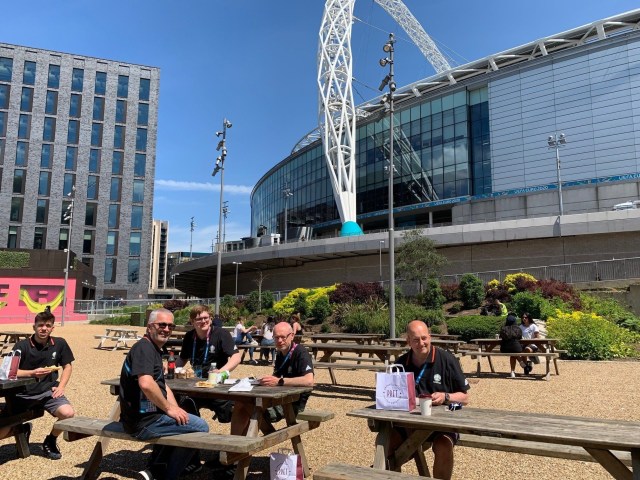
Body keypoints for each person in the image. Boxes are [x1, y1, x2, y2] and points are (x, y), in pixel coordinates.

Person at [119, 308, 209, 480]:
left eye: (170, 326)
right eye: (162, 324)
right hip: (142, 422)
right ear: (149, 327)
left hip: (144, 417)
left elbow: (162, 385)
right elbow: (146, 383)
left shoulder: (152, 349)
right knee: (200, 427)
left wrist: (175, 409)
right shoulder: (144, 348)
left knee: (183, 419)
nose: (166, 329)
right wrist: (169, 409)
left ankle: (156, 469)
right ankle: (167, 475)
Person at [394, 320, 470, 480]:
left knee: (443, 446)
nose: (421, 343)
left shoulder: (447, 359)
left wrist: (446, 396)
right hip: (408, 423)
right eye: (415, 340)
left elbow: (465, 398)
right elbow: (391, 396)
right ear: (408, 341)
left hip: (443, 424)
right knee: (386, 443)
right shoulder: (400, 363)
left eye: (424, 338)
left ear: (430, 337)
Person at [0, 310, 75, 459]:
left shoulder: (60, 343)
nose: (44, 329)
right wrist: (32, 373)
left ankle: (50, 440)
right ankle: (23, 430)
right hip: (22, 394)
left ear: (53, 328)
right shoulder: (21, 346)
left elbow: (68, 366)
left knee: (68, 414)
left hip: (48, 392)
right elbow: (9, 371)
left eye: (48, 325)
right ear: (34, 327)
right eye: (40, 325)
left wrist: (61, 387)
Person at [233, 321, 314, 434]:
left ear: (292, 336)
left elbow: (309, 381)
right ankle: (238, 445)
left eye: (283, 337)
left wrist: (279, 381)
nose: (280, 341)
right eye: (276, 337)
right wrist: (266, 380)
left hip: (292, 402)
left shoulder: (300, 352)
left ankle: (265, 435)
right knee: (241, 402)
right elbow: (276, 376)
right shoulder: (281, 353)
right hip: (280, 396)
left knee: (248, 405)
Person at [177, 304, 241, 422]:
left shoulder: (221, 334)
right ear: (192, 321)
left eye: (206, 318)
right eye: (199, 319)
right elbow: (182, 359)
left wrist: (221, 371)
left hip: (216, 384)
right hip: (195, 384)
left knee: (234, 412)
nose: (203, 321)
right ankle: (194, 432)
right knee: (180, 403)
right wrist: (171, 370)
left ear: (211, 319)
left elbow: (236, 357)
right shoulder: (189, 337)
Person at [499, 313, 523, 378]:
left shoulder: (503, 329)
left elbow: (500, 337)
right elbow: (520, 338)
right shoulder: (518, 329)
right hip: (516, 348)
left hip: (504, 349)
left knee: (513, 353)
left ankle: (513, 371)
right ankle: (521, 362)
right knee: (514, 351)